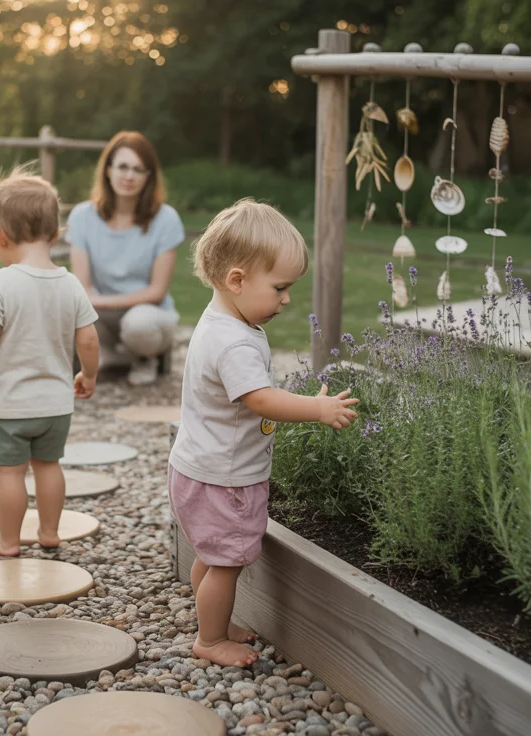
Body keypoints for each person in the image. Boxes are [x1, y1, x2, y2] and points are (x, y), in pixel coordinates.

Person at [168, 198, 359, 667]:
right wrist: (317, 408)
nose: (286, 299)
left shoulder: (221, 322)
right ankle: (210, 641)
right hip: (225, 479)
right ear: (236, 280)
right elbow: (261, 399)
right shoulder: (233, 342)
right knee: (227, 562)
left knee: (212, 557)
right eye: (279, 288)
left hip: (198, 468)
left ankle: (213, 622)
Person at [0, 166, 100, 557]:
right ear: (54, 235)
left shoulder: (0, 284)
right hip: (56, 405)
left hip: (10, 406)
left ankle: (9, 541)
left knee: (11, 473)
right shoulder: (70, 284)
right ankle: (50, 532)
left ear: (0, 237)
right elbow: (87, 337)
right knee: (49, 466)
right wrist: (87, 373)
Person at [66, 131, 185, 386]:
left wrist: (102, 301)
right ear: (108, 170)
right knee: (69, 307)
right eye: (122, 166)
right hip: (102, 316)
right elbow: (82, 287)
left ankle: (145, 358)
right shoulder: (81, 217)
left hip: (149, 314)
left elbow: (156, 291)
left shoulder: (166, 219)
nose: (129, 176)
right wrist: (92, 302)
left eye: (138, 169)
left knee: (138, 323)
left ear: (149, 176)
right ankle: (110, 355)